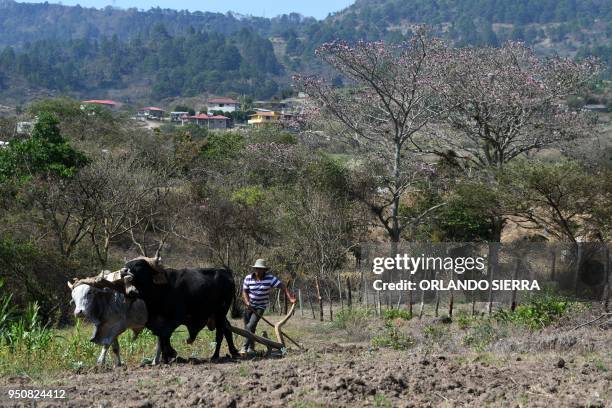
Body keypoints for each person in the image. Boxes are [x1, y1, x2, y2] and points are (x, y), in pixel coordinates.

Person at [241, 259, 295, 354]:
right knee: (249, 328)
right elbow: (245, 291)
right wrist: (247, 302)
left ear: (264, 270)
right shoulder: (248, 278)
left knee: (250, 325)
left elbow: (283, 286)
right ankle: (251, 348)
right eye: (257, 269)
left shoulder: (270, 278)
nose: (258, 271)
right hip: (248, 307)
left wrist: (290, 298)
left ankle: (244, 348)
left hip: (260, 307)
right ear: (254, 269)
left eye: (261, 269)